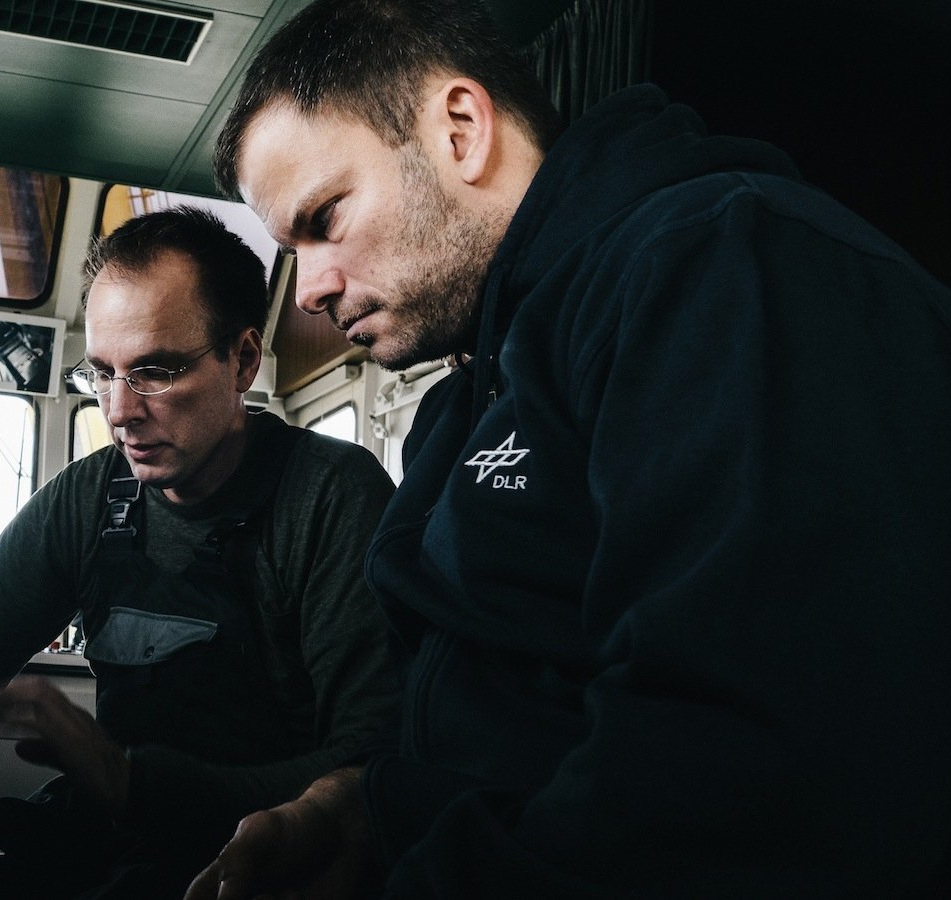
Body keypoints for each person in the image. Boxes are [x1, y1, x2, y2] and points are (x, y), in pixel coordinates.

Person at [189, 0, 951, 896]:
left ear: (461, 131)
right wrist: (368, 808)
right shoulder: (464, 407)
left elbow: (748, 771)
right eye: (290, 247)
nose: (309, 289)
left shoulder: (727, 267)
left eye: (324, 217)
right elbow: (513, 727)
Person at [0, 206, 401, 897]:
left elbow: (372, 761)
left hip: (263, 861)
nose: (118, 412)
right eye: (102, 373)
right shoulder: (92, 496)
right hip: (111, 834)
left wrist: (129, 780)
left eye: (154, 371)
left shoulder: (331, 495)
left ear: (242, 361)